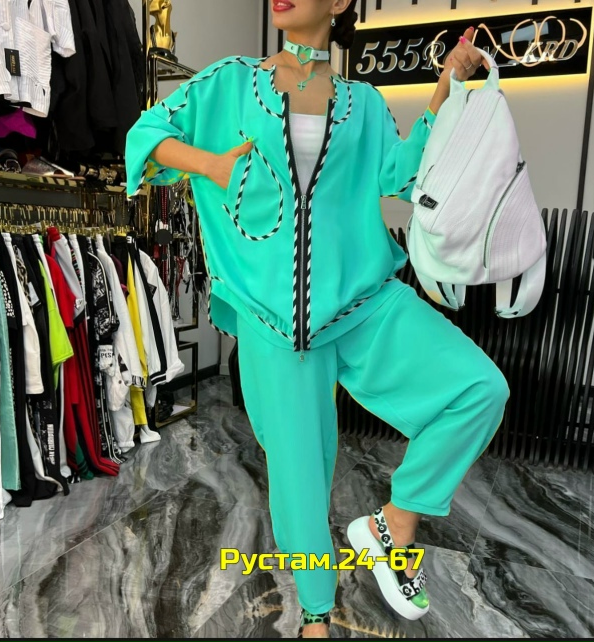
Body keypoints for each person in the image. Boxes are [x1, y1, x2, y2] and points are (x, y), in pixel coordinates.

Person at [125, 0, 509, 637]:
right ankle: (315, 616)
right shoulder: (229, 82)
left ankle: (395, 523)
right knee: (300, 478)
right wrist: (212, 165)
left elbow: (400, 176)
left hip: (361, 299)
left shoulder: (365, 103)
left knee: (479, 389)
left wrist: (446, 86)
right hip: (274, 320)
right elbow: (145, 135)